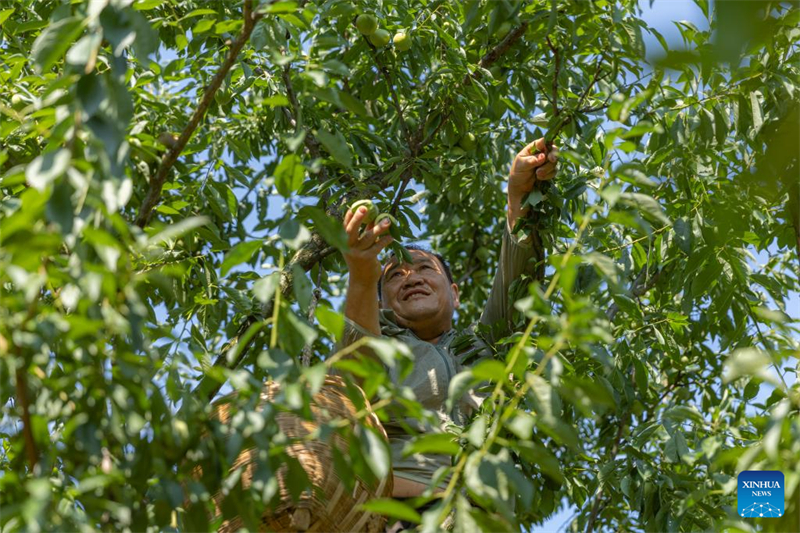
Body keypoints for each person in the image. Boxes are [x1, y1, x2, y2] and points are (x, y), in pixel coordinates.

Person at [338, 138, 558, 528]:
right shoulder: (379, 347)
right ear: (383, 305)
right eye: (394, 275)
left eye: (425, 269)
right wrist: (360, 275)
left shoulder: (485, 342)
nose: (411, 277)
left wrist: (518, 196)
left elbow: (518, 276)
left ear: (454, 295)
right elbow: (349, 389)